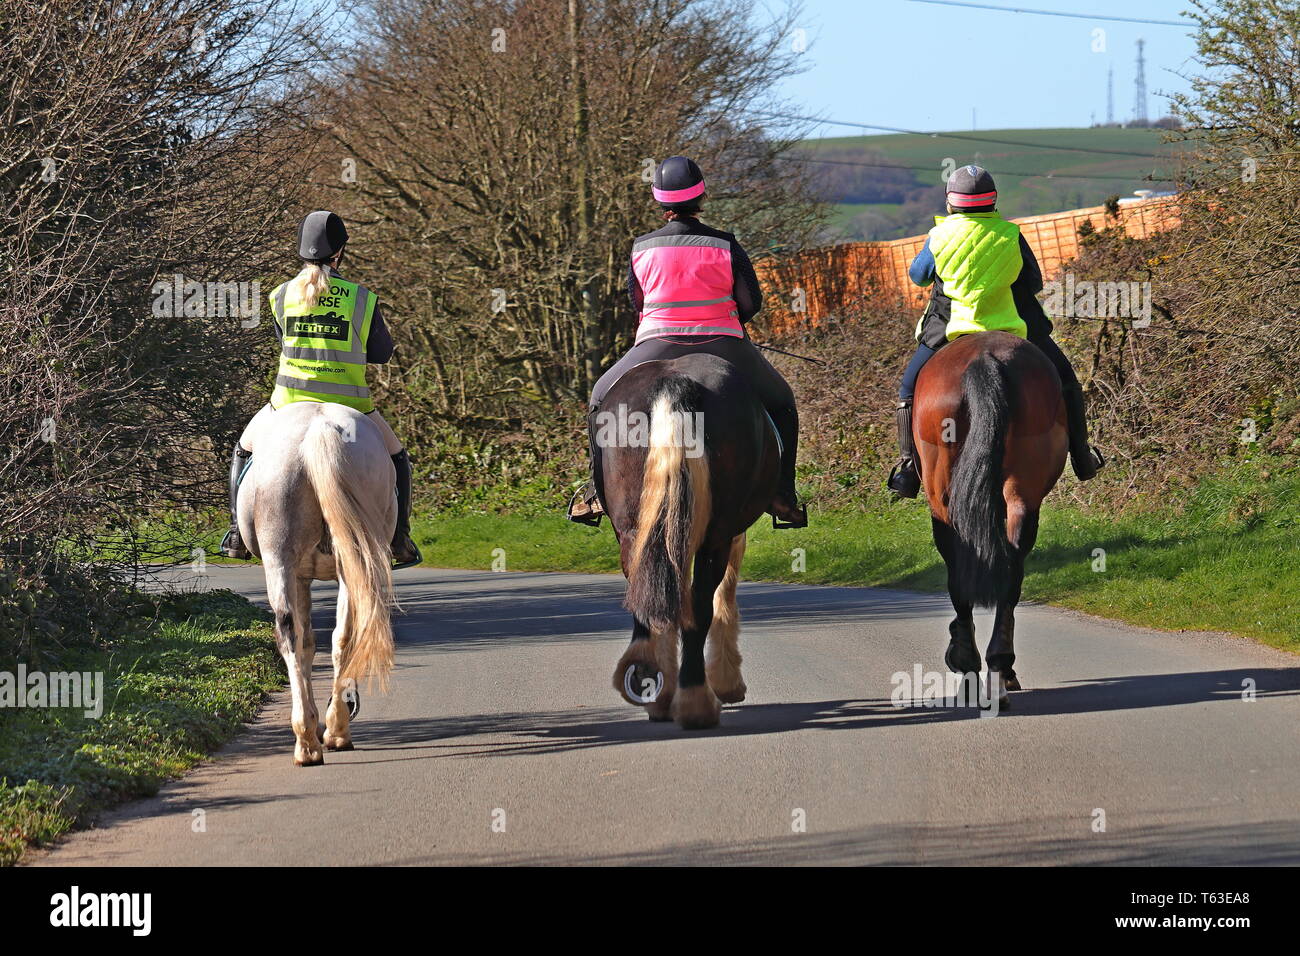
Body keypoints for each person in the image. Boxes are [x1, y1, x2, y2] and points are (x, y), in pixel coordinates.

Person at [567, 156, 807, 528]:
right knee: (783, 402)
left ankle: (597, 494)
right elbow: (751, 301)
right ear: (702, 195)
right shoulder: (724, 243)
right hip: (722, 343)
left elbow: (638, 302)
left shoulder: (641, 247)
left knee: (601, 397)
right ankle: (783, 495)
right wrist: (729, 319)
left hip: (656, 343)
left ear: (658, 200)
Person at [887, 165, 1105, 498]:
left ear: (951, 202)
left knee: (908, 390)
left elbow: (919, 276)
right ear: (993, 200)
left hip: (949, 331)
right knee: (1065, 379)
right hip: (1015, 330)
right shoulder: (1010, 234)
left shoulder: (939, 237)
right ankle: (1082, 455)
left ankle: (906, 469)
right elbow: (1033, 282)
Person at [220, 210, 421, 566]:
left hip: (287, 403)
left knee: (243, 449)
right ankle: (400, 539)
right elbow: (381, 353)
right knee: (398, 457)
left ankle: (237, 532)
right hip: (352, 404)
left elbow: (286, 343)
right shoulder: (361, 298)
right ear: (339, 251)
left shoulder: (281, 295)